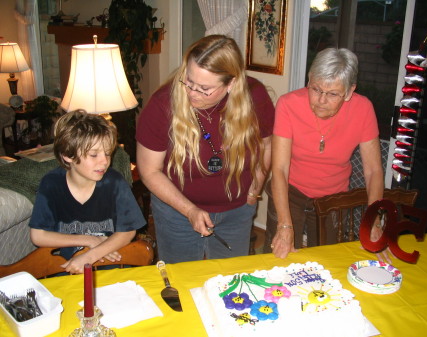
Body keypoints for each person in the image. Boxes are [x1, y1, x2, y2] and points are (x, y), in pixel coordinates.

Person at [136, 35, 275, 263]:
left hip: (236, 213)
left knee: (230, 282)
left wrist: (255, 187)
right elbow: (149, 171)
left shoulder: (255, 97)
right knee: (183, 282)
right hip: (177, 213)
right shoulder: (162, 104)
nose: (191, 93)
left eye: (204, 88)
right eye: (188, 81)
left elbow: (267, 144)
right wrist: (190, 210)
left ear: (231, 83)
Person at [265, 48, 386, 260]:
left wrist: (374, 220)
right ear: (309, 80)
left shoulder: (363, 109)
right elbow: (280, 169)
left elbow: (374, 171)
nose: (321, 100)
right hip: (290, 191)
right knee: (278, 257)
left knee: (326, 260)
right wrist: (285, 224)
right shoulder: (288, 104)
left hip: (333, 197)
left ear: (349, 92)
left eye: (332, 94)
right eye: (315, 89)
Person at [29, 110, 146, 274]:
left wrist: (90, 256)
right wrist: (91, 240)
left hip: (113, 268)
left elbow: (127, 232)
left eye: (107, 153)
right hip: (70, 268)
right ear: (67, 155)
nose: (104, 161)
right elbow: (38, 236)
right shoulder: (51, 184)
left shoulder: (115, 182)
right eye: (93, 154)